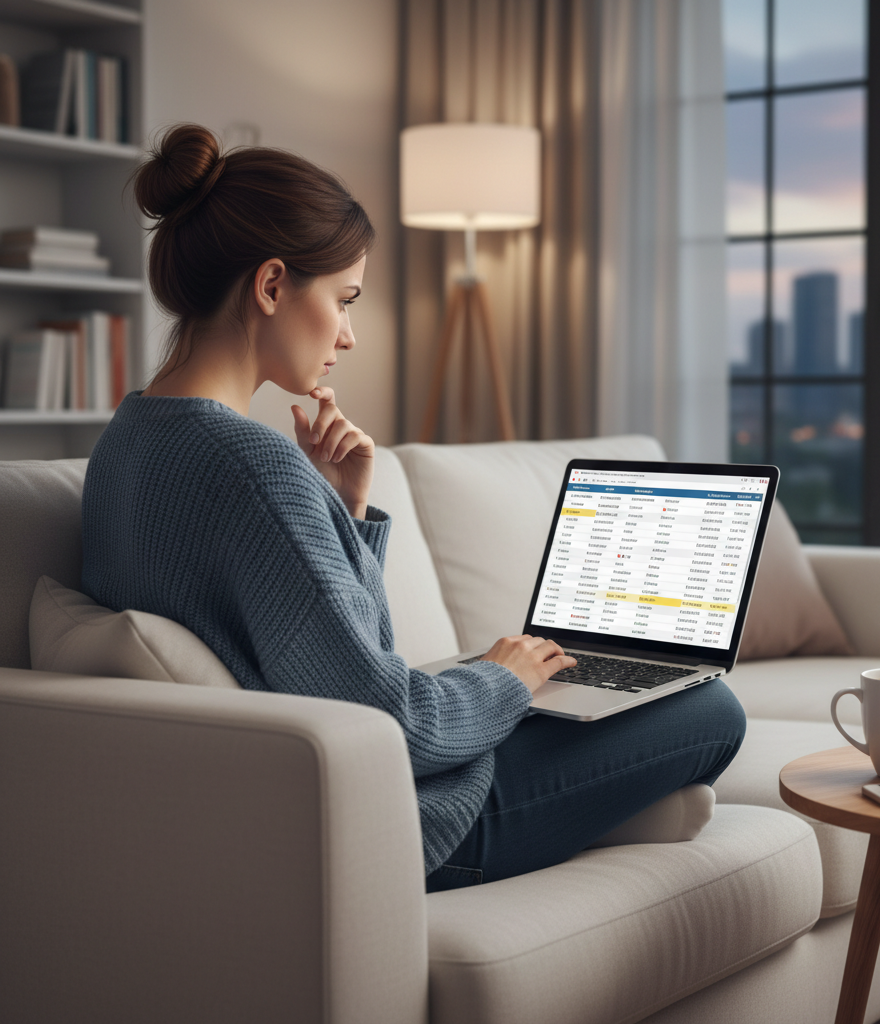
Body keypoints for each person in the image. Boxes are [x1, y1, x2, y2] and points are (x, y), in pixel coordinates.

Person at [81, 124, 746, 891]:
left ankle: (605, 807)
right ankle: (605, 804)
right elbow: (392, 720)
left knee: (580, 700)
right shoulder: (252, 467)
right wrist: (504, 678)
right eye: (343, 300)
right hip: (409, 819)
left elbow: (339, 661)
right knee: (712, 709)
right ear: (270, 286)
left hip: (316, 791)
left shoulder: (128, 439)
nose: (349, 336)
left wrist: (344, 509)